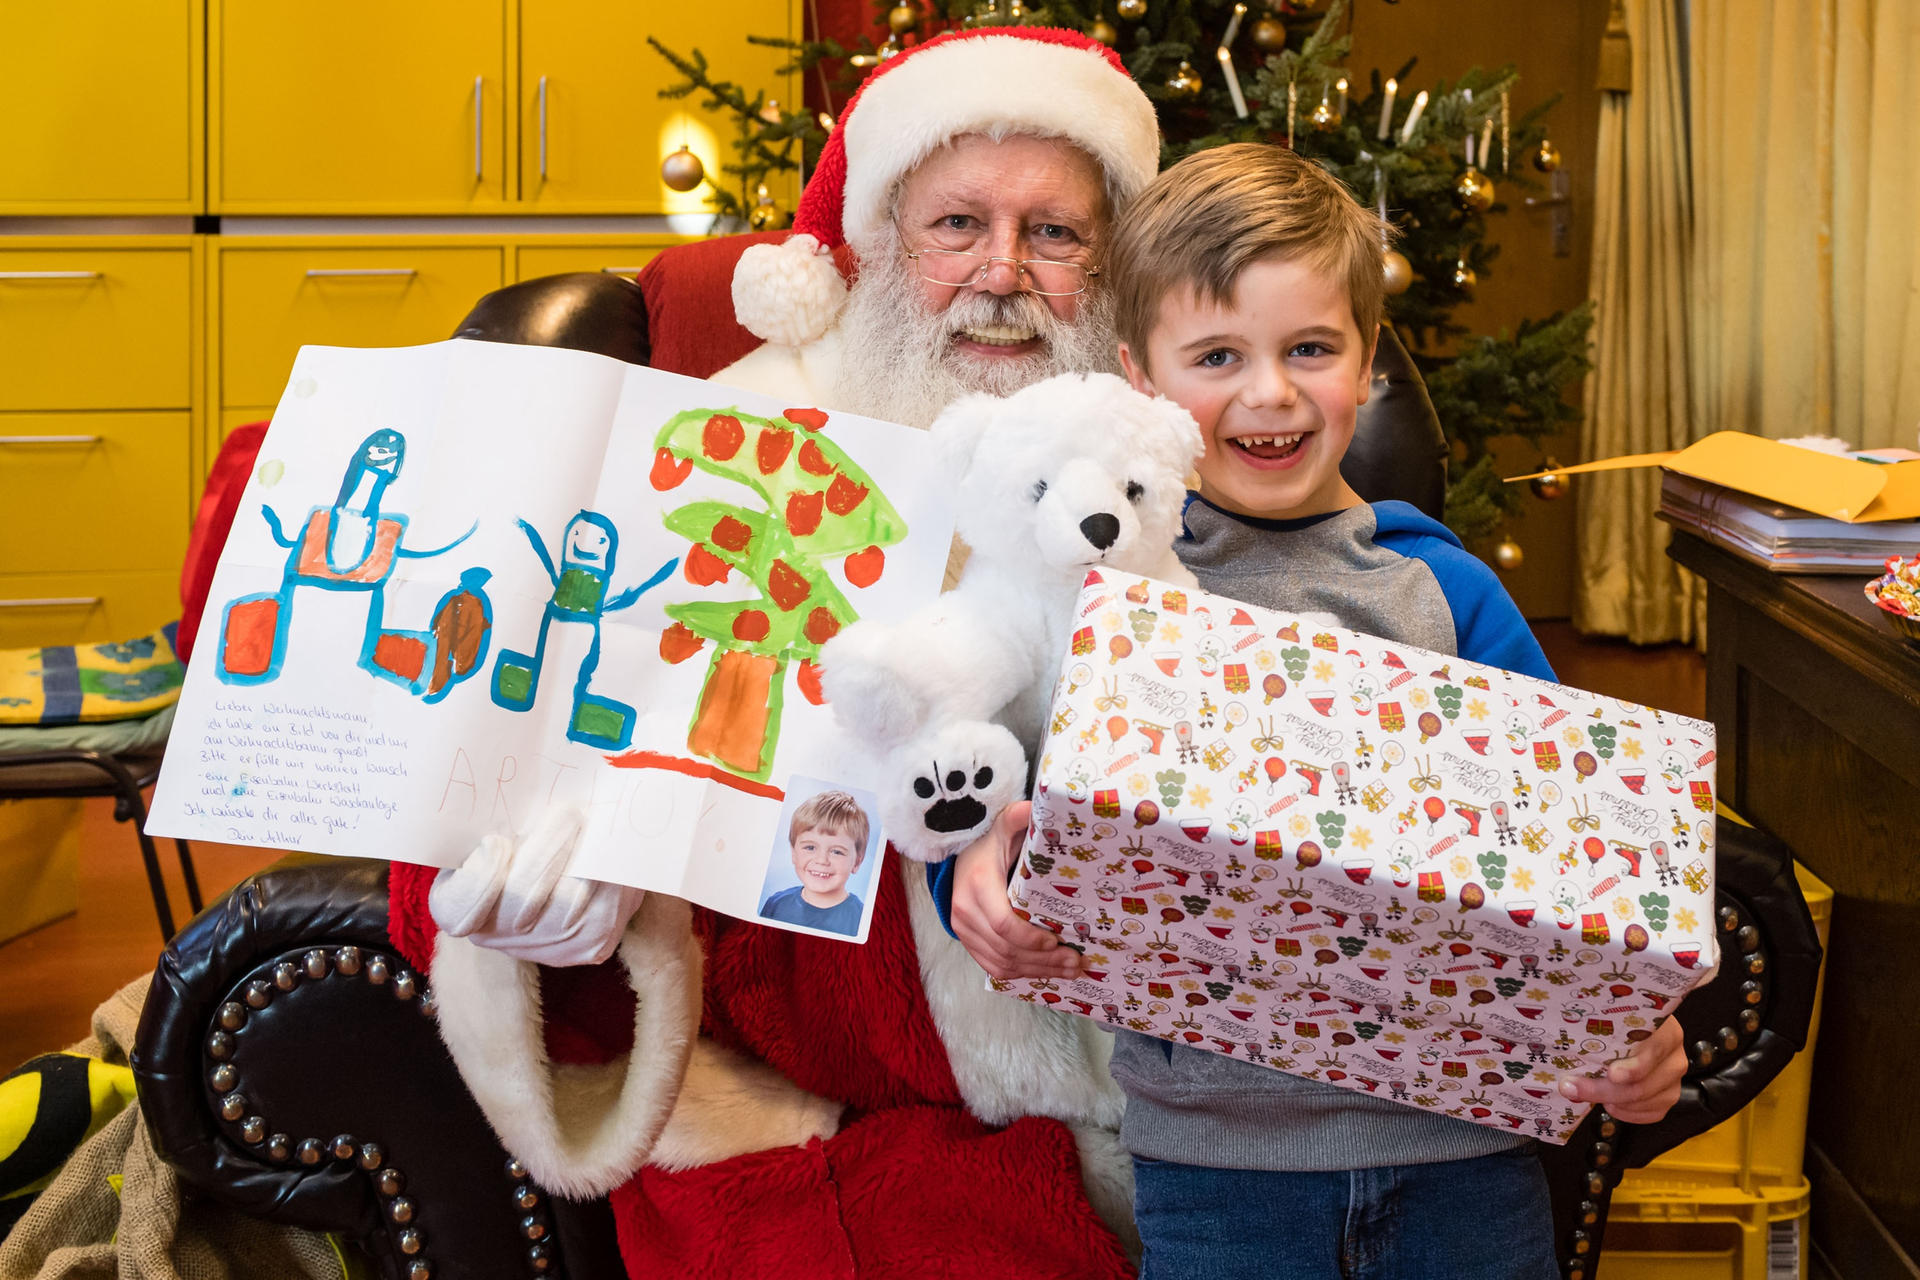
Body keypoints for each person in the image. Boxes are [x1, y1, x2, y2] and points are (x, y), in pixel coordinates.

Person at [383, 25, 1163, 1279]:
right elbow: (515, 748)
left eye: (1056, 233)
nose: (1003, 272)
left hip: (1145, 1103)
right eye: (958, 223)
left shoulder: (1177, 449)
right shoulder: (736, 438)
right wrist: (532, 892)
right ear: (879, 239)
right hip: (808, 1086)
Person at [945, 143, 1689, 1280]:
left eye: (1309, 348)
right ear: (1139, 377)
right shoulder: (1102, 595)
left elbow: (1587, 870)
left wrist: (1634, 1035)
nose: (1270, 393)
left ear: (1368, 357)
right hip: (1214, 1176)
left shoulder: (1447, 593)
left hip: (1466, 1167)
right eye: (1216, 355)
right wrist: (974, 888)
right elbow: (978, 805)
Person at [759, 789, 871, 935]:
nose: (821, 860)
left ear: (857, 862)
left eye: (837, 851)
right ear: (794, 853)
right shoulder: (776, 904)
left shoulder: (861, 919)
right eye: (810, 847)